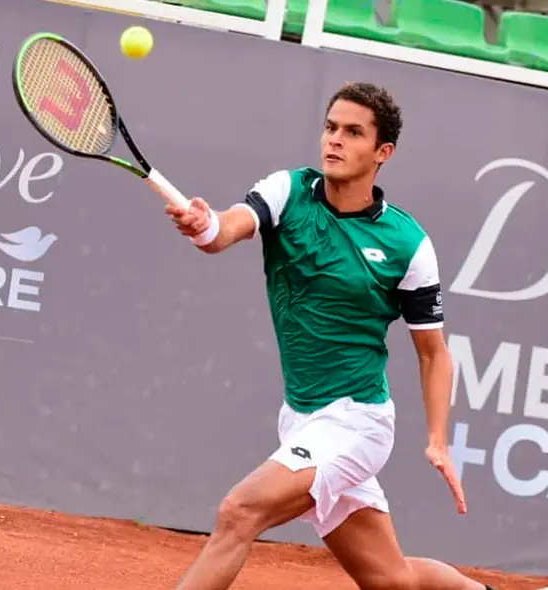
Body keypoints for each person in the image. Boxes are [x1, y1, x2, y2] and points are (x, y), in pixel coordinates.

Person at [165, 81, 492, 590]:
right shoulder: (288, 192)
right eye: (331, 127)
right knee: (394, 581)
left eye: (353, 132)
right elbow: (227, 229)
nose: (334, 140)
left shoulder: (408, 244)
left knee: (239, 511)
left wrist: (437, 440)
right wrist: (204, 224)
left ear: (383, 153)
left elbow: (433, 354)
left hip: (357, 423)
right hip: (300, 419)